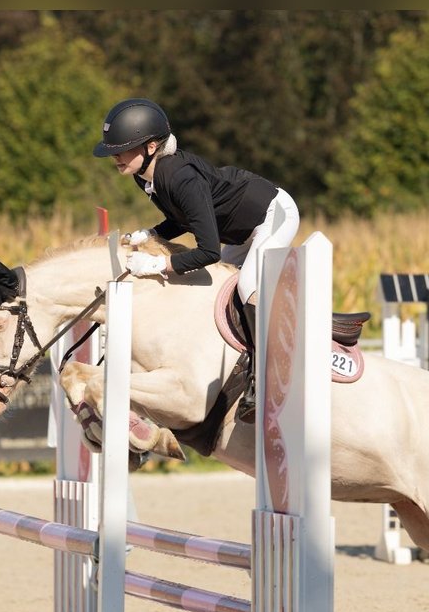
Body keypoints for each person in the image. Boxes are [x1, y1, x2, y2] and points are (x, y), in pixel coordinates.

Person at [92, 98, 299, 422]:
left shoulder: (179, 176)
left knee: (247, 285)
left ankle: (268, 378)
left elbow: (208, 251)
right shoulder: (146, 175)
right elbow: (183, 218)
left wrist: (159, 265)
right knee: (219, 290)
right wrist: (152, 233)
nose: (115, 156)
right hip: (240, 233)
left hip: (272, 215)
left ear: (149, 146)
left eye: (123, 149)